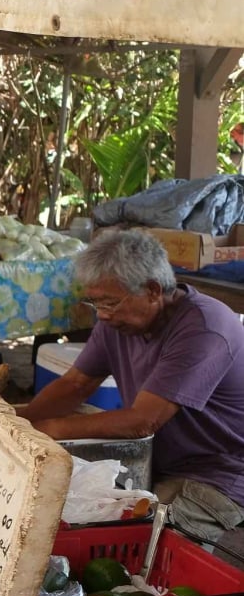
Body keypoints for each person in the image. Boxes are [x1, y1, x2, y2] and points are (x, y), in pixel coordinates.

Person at [18, 229, 244, 546]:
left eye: (110, 303)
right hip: (154, 459)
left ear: (153, 290)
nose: (102, 315)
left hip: (218, 473)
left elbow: (142, 421)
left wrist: (48, 428)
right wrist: (17, 425)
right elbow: (75, 384)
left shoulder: (205, 327)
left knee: (141, 547)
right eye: (95, 303)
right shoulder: (118, 322)